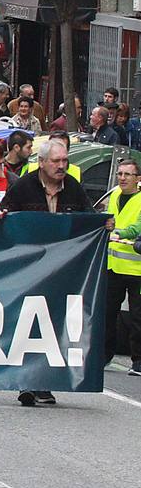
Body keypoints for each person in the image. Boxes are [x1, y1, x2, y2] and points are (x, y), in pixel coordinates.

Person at [0, 137, 88, 406]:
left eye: (65, 161)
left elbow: (87, 219)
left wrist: (102, 224)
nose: (62, 166)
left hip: (62, 270)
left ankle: (43, 382)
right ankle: (25, 382)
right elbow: (5, 215)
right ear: (42, 162)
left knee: (52, 326)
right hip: (29, 269)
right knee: (26, 324)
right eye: (56, 161)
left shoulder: (73, 188)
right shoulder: (24, 186)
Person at [101, 160, 141, 377]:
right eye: (120, 174)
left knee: (138, 317)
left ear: (138, 178)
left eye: (127, 174)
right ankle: (105, 355)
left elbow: (137, 227)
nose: (122, 178)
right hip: (114, 266)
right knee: (108, 313)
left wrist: (120, 234)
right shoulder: (115, 196)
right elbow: (108, 220)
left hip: (137, 270)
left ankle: (138, 362)